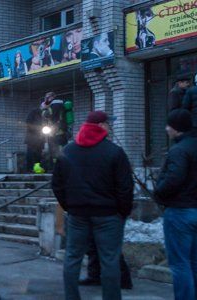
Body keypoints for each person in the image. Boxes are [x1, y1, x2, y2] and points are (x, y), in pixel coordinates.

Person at [52, 111, 134, 300]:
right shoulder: (114, 151)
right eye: (108, 124)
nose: (110, 128)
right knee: (109, 261)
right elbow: (125, 188)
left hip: (78, 215)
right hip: (108, 215)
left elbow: (57, 184)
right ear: (102, 126)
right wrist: (122, 212)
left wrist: (70, 206)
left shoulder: (68, 151)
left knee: (72, 258)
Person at [154, 109, 197, 300]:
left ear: (177, 129)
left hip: (180, 212)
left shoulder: (179, 150)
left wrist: (158, 192)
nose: (166, 129)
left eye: (168, 126)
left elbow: (173, 179)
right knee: (196, 261)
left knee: (180, 264)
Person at [41, 92, 69, 168]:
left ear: (52, 97)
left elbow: (47, 115)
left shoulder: (54, 105)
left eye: (47, 97)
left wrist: (44, 109)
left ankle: (55, 166)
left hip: (55, 131)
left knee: (54, 149)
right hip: (61, 130)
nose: (46, 99)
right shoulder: (61, 104)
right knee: (62, 147)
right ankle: (63, 164)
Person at [25, 107, 45, 173]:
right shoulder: (34, 114)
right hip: (32, 139)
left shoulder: (42, 117)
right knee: (31, 153)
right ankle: (30, 168)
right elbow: (29, 125)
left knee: (38, 154)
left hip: (39, 139)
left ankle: (36, 168)